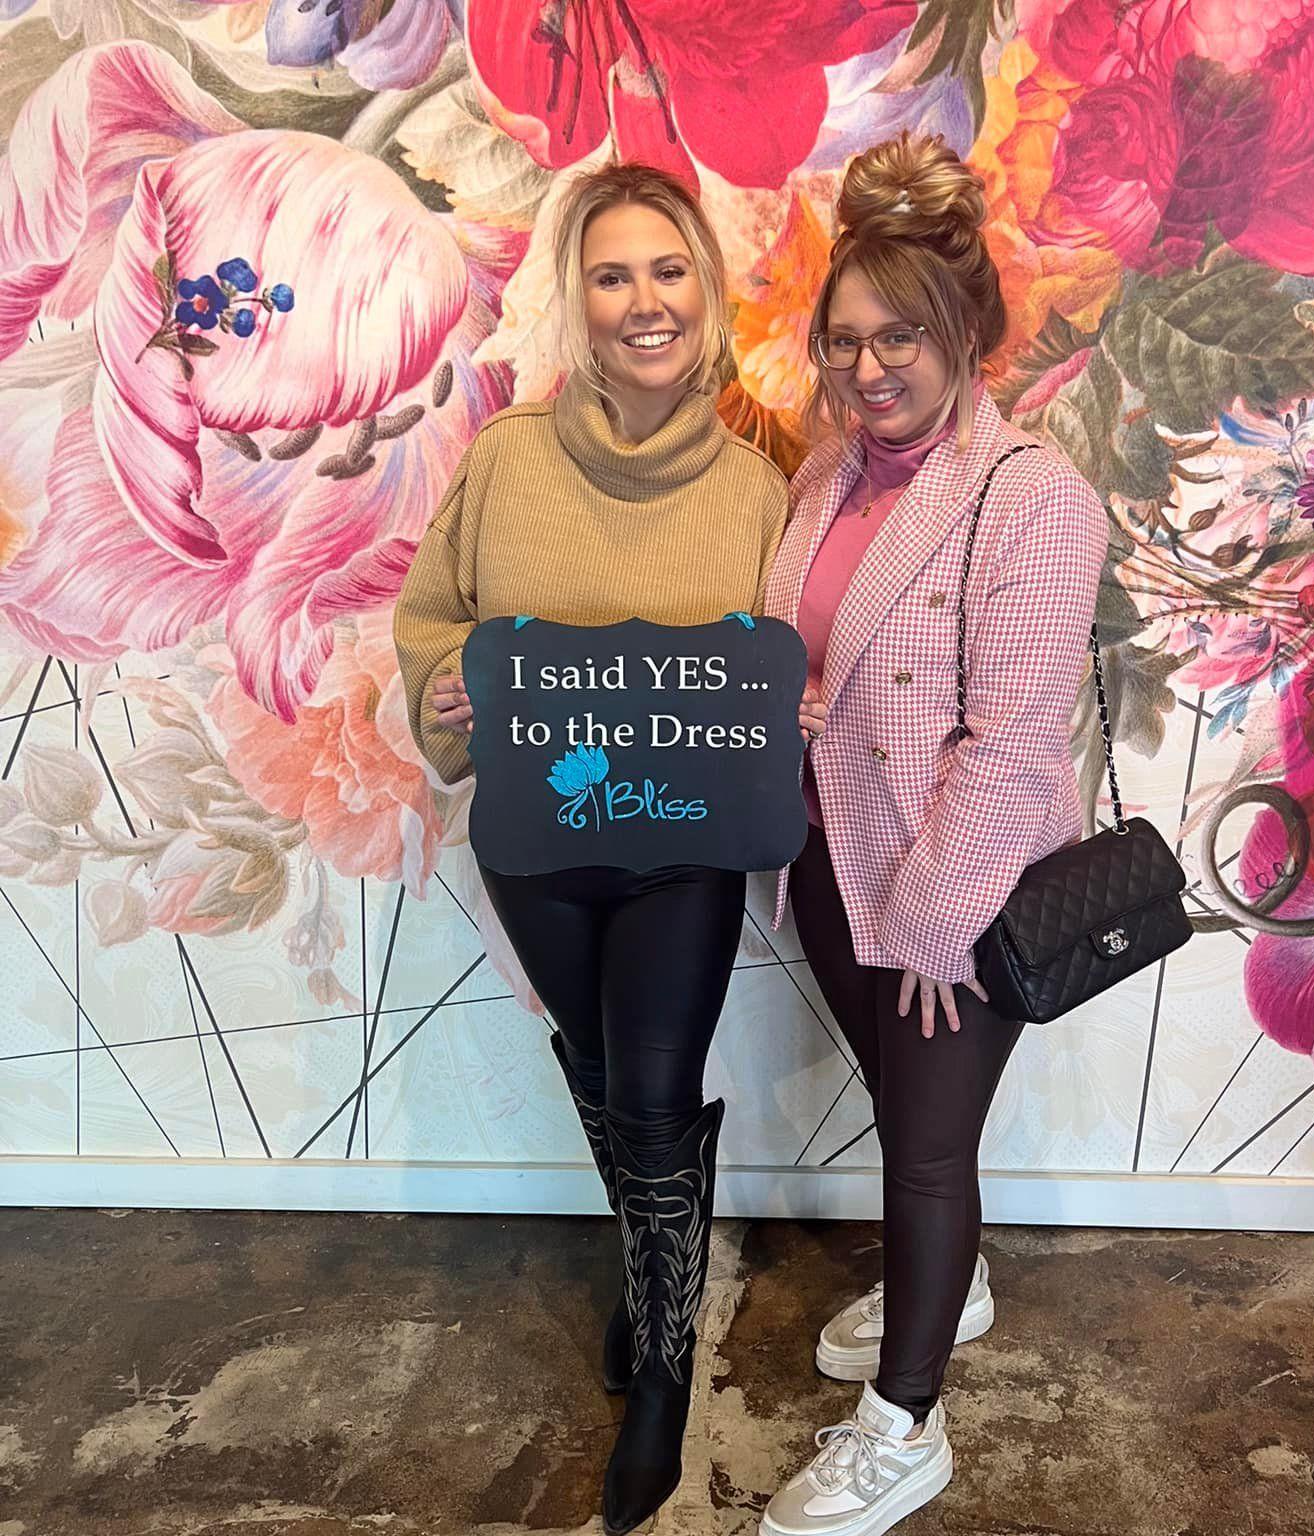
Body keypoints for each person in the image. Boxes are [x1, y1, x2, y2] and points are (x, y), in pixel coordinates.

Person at [393, 161, 788, 1536]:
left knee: (657, 1091)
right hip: (541, 841)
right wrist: (446, 689)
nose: (643, 301)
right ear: (580, 300)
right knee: (605, 1071)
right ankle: (650, 1274)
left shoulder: (756, 490)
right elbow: (432, 618)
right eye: (613, 275)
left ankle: (665, 1375)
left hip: (685, 851)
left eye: (667, 270)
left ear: (707, 293)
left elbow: (791, 667)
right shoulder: (505, 461)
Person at [760, 133, 1107, 1536]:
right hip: (830, 853)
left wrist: (934, 921)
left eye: (898, 335)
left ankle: (906, 1424)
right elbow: (815, 660)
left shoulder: (1031, 496)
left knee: (924, 1152)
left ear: (965, 331)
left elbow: (1012, 742)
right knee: (903, 1108)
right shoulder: (828, 479)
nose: (867, 367)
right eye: (844, 340)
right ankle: (947, 1289)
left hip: (953, 884)